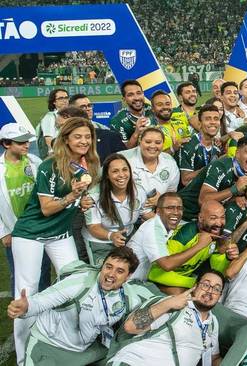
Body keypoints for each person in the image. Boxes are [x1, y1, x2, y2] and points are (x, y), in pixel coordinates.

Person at [10, 117, 99, 364]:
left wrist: (82, 202)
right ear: (66, 139)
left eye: (87, 136)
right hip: (31, 234)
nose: (83, 141)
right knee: (27, 294)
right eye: (78, 136)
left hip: (59, 234)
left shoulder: (89, 163)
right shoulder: (50, 165)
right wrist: (73, 195)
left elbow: (76, 201)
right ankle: (23, 357)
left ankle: (67, 343)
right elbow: (47, 208)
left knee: (77, 284)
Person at [7, 247, 147, 365]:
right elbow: (44, 300)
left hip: (86, 351)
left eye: (120, 271)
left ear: (129, 276)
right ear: (102, 266)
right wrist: (26, 307)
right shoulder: (80, 282)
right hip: (49, 346)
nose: (111, 274)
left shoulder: (129, 299)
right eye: (108, 267)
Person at [109, 270, 226, 366]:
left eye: (216, 289)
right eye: (205, 285)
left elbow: (213, 358)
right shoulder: (175, 303)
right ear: (195, 286)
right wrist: (169, 303)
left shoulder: (212, 322)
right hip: (136, 362)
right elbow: (130, 327)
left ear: (220, 296)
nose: (210, 291)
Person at [146, 200, 236, 293]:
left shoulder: (215, 234)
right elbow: (156, 272)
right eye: (213, 218)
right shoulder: (185, 235)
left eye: (222, 217)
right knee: (181, 293)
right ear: (201, 218)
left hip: (182, 281)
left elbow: (218, 271)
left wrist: (227, 258)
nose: (219, 223)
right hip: (155, 280)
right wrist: (195, 283)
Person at [0, 123, 45, 296]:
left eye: (26, 141)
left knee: (43, 270)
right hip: (16, 231)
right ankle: (21, 316)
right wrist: (3, 232)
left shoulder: (35, 162)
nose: (26, 145)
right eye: (20, 142)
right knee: (19, 275)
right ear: (6, 144)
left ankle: (43, 311)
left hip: (40, 226)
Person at [84, 154, 152, 266]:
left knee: (129, 272)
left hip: (127, 238)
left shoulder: (138, 191)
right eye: (115, 171)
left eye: (125, 170)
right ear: (107, 175)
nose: (121, 175)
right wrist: (111, 236)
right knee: (105, 275)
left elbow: (145, 213)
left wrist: (164, 222)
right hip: (101, 242)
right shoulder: (93, 196)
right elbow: (93, 227)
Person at [178, 136, 247, 221]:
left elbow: (223, 196)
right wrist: (234, 189)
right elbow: (203, 200)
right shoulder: (221, 166)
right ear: (237, 153)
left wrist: (234, 199)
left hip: (203, 220)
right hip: (183, 214)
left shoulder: (246, 173)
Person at [126, 192, 183, 280]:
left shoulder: (169, 224)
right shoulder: (153, 229)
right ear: (158, 211)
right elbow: (167, 265)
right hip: (128, 282)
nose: (176, 212)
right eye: (170, 208)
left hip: (144, 280)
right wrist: (200, 245)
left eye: (179, 208)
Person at [119, 127, 180, 207]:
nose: (152, 146)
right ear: (140, 141)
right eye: (148, 142)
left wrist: (162, 199)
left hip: (158, 211)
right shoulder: (123, 159)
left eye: (158, 143)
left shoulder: (169, 161)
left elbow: (171, 193)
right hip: (127, 211)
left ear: (163, 144)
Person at [69, 94, 127, 160]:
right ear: (72, 110)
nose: (88, 109)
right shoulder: (66, 130)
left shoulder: (104, 130)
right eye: (83, 107)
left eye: (89, 105)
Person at [178, 104, 223, 187]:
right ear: (199, 124)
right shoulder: (188, 145)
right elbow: (185, 180)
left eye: (216, 119)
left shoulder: (217, 148)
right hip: (189, 195)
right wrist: (210, 167)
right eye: (208, 119)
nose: (213, 122)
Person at [109, 80, 153, 148]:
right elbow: (124, 150)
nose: (137, 98)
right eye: (130, 95)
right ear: (124, 99)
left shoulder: (153, 110)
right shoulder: (117, 121)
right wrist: (136, 133)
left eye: (139, 93)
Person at [38, 88, 69, 156]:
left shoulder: (71, 114)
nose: (65, 101)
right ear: (54, 102)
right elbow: (48, 139)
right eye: (61, 98)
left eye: (66, 98)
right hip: (58, 153)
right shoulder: (50, 117)